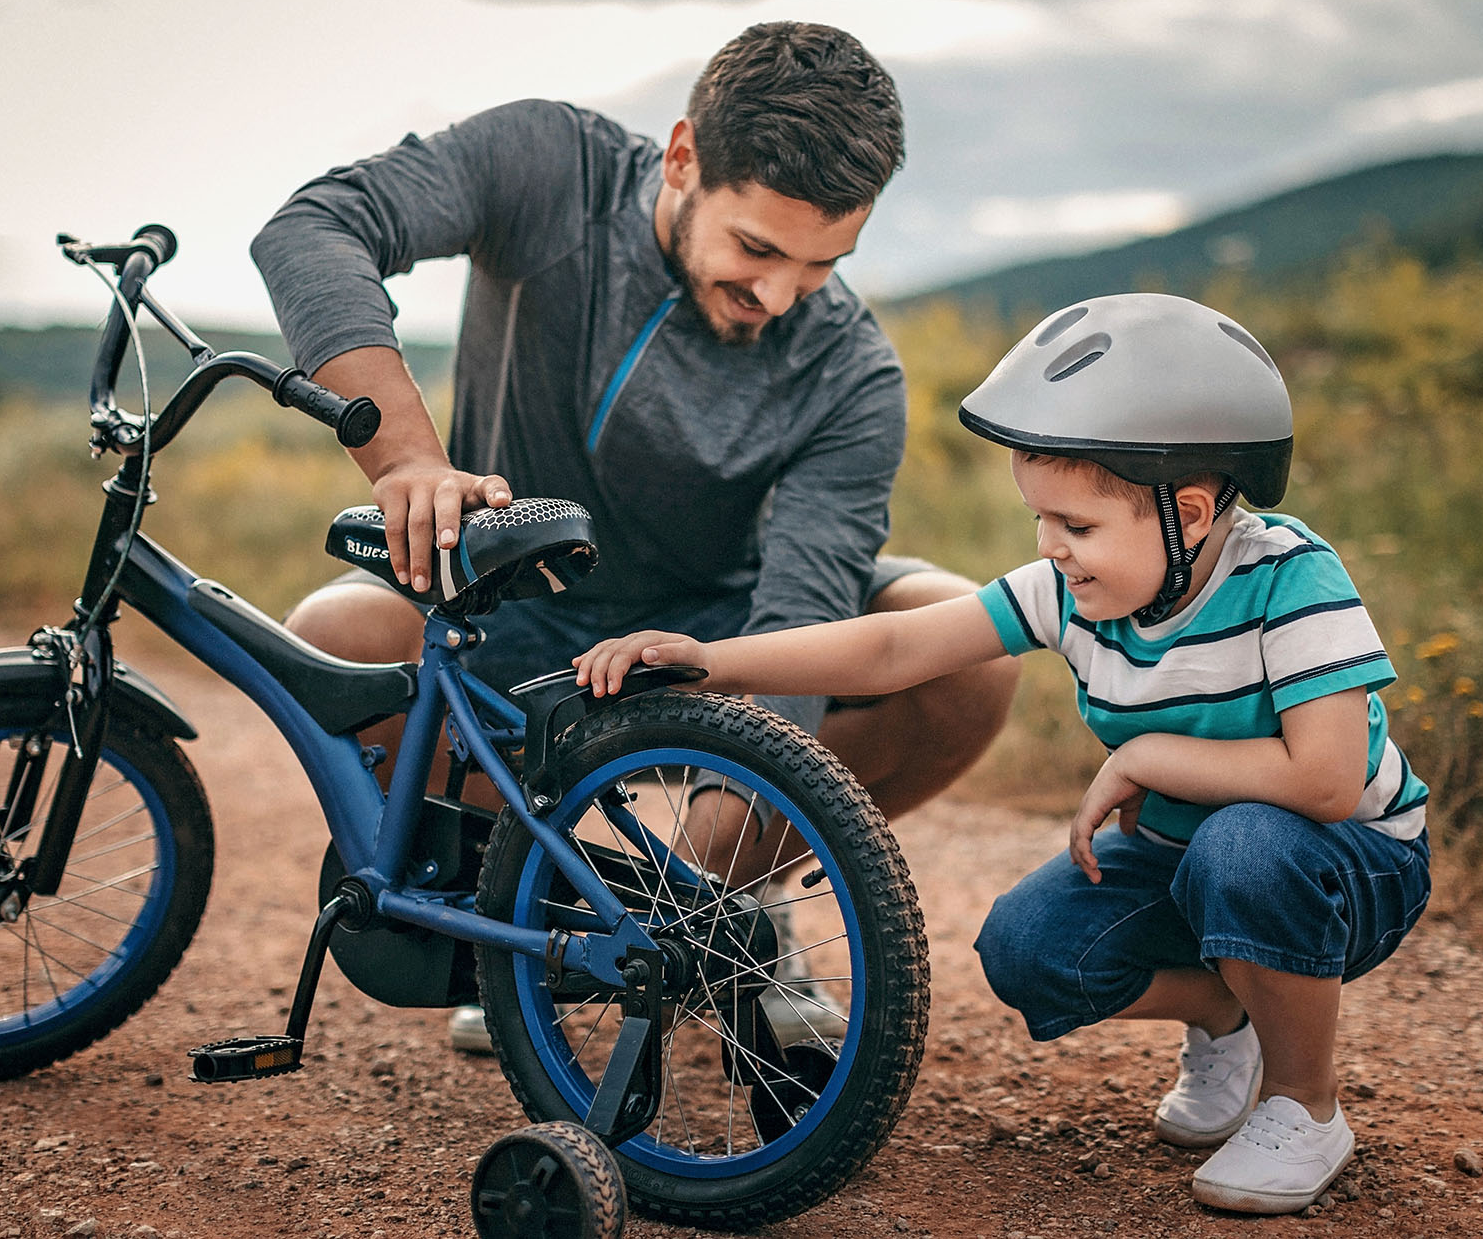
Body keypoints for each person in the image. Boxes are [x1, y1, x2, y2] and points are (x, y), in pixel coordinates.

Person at [251, 21, 1020, 1051]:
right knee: (334, 632)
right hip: (512, 620)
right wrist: (403, 461)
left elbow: (798, 627)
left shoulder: (850, 374)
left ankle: (734, 913)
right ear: (683, 158)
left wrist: (686, 911)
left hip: (722, 639)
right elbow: (315, 229)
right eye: (754, 248)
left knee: (963, 649)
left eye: (821, 263)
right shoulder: (546, 167)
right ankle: (516, 919)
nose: (780, 294)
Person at [574, 293, 1432, 1215]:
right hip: (1188, 862)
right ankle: (1229, 1013)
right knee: (1026, 948)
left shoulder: (1291, 580)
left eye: (1077, 526)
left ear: (1186, 512)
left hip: (1344, 862)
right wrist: (708, 662)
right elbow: (893, 649)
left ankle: (1305, 1102)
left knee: (1245, 847)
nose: (1051, 549)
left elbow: (1328, 780)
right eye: (1040, 520)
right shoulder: (1071, 589)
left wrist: (1146, 756)